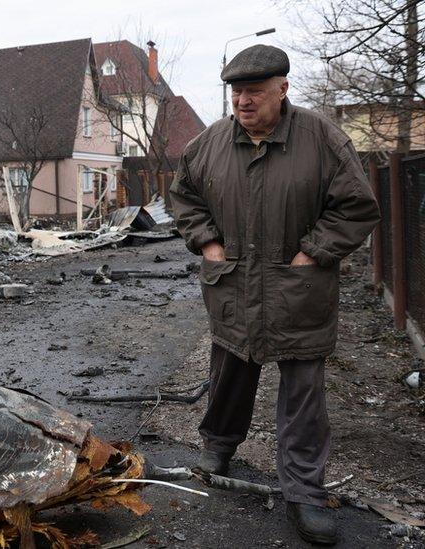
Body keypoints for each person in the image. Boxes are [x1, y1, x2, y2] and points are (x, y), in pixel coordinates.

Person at [169, 44, 380, 546]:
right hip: (234, 285)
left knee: (303, 394)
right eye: (237, 92)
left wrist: (313, 252)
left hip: (298, 289)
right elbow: (183, 197)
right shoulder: (209, 144)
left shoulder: (321, 138)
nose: (243, 102)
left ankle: (305, 491)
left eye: (255, 92)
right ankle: (218, 445)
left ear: (283, 89)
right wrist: (209, 242)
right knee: (229, 372)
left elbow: (356, 207)